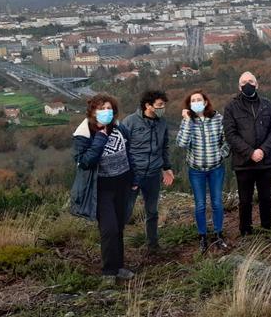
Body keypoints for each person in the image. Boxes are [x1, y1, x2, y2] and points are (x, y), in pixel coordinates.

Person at [70, 94, 135, 284]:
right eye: (101, 108)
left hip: (122, 183)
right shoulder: (85, 133)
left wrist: (134, 177)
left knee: (119, 227)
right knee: (109, 229)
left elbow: (129, 151)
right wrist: (100, 138)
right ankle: (108, 271)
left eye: (109, 108)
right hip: (101, 188)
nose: (106, 112)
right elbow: (85, 162)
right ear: (92, 112)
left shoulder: (119, 127)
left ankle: (119, 267)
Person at [223, 72, 271, 236]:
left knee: (265, 198)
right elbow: (230, 134)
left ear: (257, 84)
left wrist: (263, 150)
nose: (248, 84)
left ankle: (266, 229)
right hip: (243, 162)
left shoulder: (267, 105)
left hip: (265, 161)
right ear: (239, 86)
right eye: (244, 82)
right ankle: (246, 230)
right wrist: (250, 153)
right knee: (245, 200)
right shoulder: (231, 107)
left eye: (251, 81)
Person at [177, 90, 230, 253]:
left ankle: (218, 234)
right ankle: (202, 236)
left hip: (216, 169)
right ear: (189, 105)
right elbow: (181, 143)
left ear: (206, 102)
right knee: (200, 205)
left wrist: (221, 154)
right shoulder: (188, 122)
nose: (196, 103)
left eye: (199, 99)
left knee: (217, 202)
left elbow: (227, 140)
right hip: (196, 170)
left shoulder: (218, 119)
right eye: (193, 101)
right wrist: (186, 121)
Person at [122, 90, 174, 252]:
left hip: (153, 174)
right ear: (148, 105)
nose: (162, 108)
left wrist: (166, 168)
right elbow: (122, 148)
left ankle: (153, 245)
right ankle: (116, 249)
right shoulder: (130, 122)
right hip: (133, 175)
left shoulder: (162, 123)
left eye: (164, 105)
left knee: (152, 211)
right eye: (159, 105)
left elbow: (164, 147)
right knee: (125, 212)